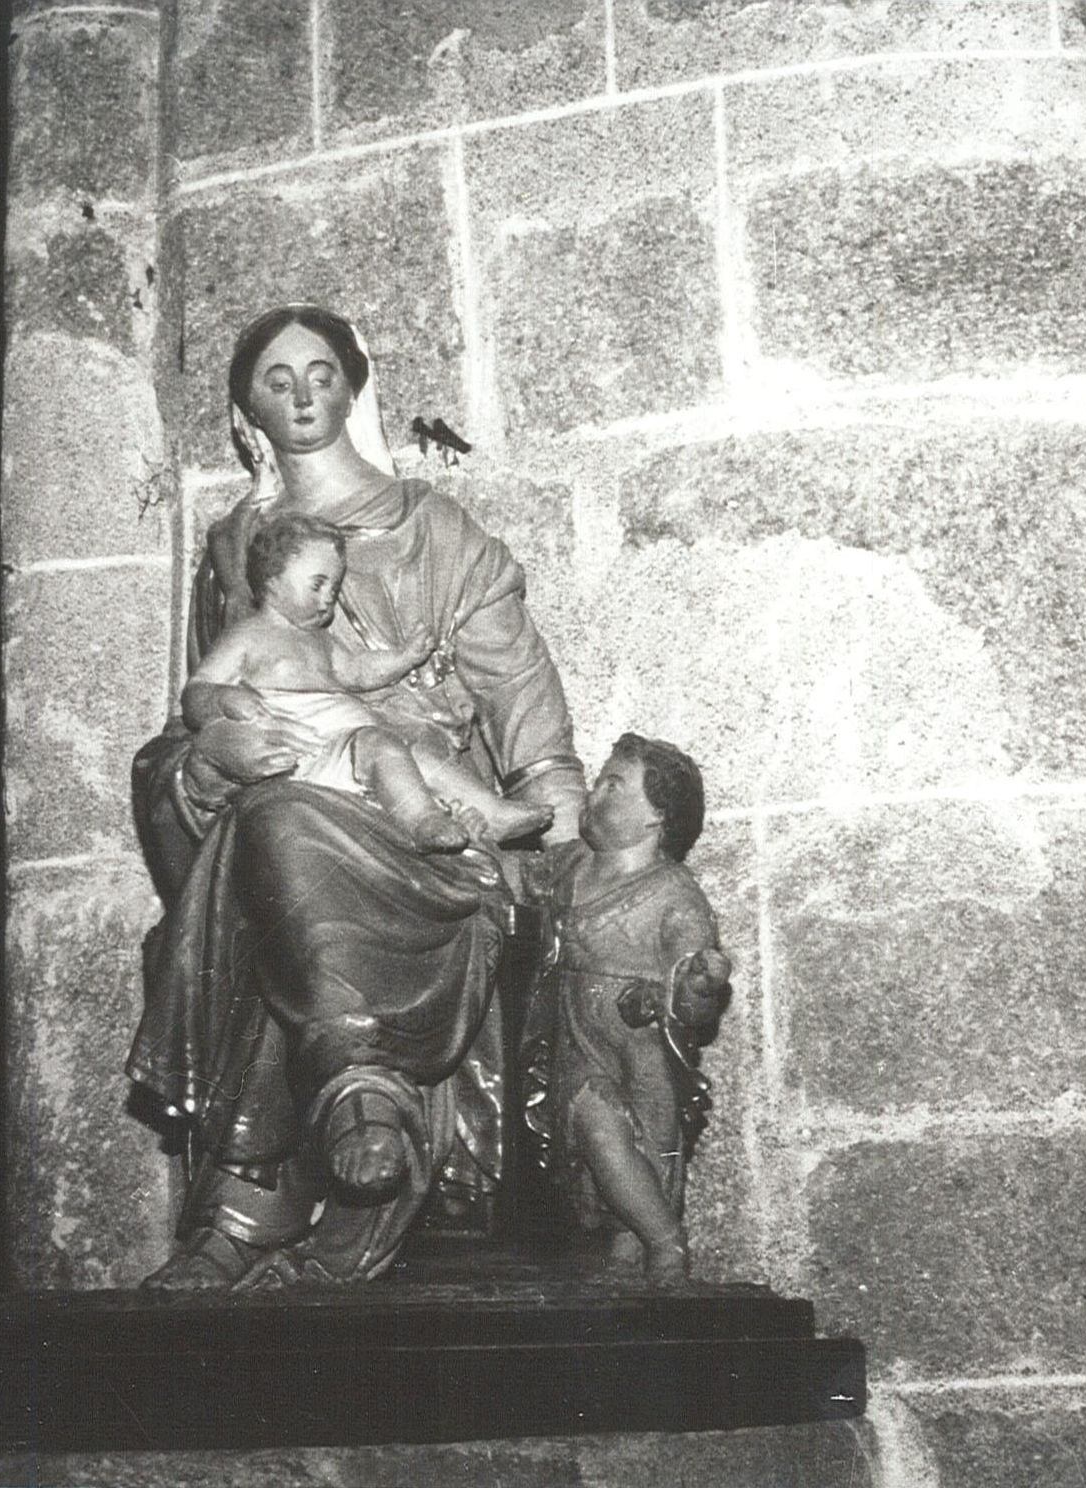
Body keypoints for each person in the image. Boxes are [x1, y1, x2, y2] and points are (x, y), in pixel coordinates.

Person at [127, 305, 586, 1289]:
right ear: (245, 408)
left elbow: (519, 692)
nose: (302, 396)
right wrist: (205, 765)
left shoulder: (432, 530)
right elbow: (200, 708)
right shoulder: (235, 552)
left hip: (426, 824)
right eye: (275, 380)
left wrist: (560, 811)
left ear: (353, 386)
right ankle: (335, 1125)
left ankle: (256, 1204)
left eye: (322, 373)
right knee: (260, 831)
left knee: (278, 834)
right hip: (287, 798)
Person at [180, 509, 554, 852]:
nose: (328, 598)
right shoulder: (248, 636)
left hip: (348, 741)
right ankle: (420, 822)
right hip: (306, 752)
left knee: (415, 756)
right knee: (383, 747)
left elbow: (359, 672)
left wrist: (404, 658)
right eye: (317, 584)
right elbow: (196, 693)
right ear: (273, 579)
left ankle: (490, 811)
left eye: (334, 588)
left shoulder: (322, 641)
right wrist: (224, 700)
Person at [525, 734, 731, 1286]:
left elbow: (692, 999)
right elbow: (518, 884)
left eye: (614, 784)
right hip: (574, 1038)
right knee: (593, 1134)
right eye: (598, 779)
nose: (596, 790)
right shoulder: (570, 867)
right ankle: (637, 1247)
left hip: (637, 1047)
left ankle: (661, 1246)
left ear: (656, 817)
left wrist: (696, 985)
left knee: (638, 1141)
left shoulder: (673, 894)